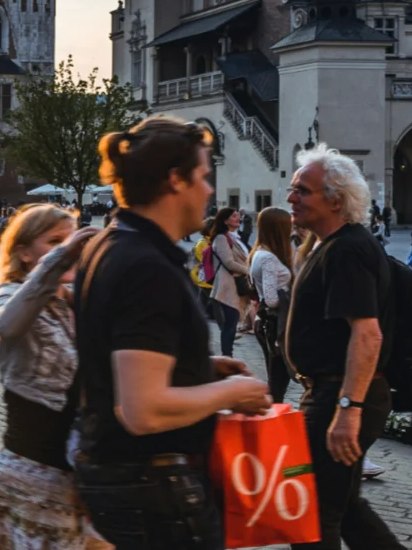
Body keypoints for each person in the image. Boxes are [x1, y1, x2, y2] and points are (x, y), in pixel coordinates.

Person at [73, 117, 271, 549]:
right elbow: (143, 408)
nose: (209, 191)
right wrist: (232, 393)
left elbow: (114, 356)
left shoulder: (111, 243)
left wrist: (197, 366)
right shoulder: (146, 266)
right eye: (202, 176)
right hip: (154, 492)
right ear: (175, 179)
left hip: (124, 482)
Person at [0, 203, 105, 549]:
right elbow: (8, 326)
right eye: (53, 241)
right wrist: (59, 260)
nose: (66, 248)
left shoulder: (75, 303)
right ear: (24, 252)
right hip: (31, 474)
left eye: (70, 240)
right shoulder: (9, 294)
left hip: (78, 477)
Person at [284, 145, 404, 550]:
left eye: (303, 190)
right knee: (344, 506)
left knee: (313, 515)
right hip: (336, 393)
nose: (291, 198)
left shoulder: (348, 249)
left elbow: (367, 333)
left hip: (341, 395)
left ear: (335, 199)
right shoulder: (331, 245)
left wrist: (348, 410)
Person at [248, 206, 297, 404]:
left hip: (268, 320)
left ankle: (272, 412)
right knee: (278, 377)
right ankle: (272, 417)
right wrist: (291, 295)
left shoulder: (260, 252)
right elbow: (271, 298)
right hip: (275, 322)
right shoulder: (268, 258)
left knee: (277, 376)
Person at [204, 208, 251, 357]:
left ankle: (228, 355)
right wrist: (250, 270)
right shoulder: (221, 238)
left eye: (238, 215)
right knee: (229, 325)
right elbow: (229, 263)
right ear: (225, 221)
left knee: (231, 323)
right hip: (227, 284)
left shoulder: (234, 237)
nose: (238, 218)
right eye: (234, 216)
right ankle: (227, 356)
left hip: (235, 283)